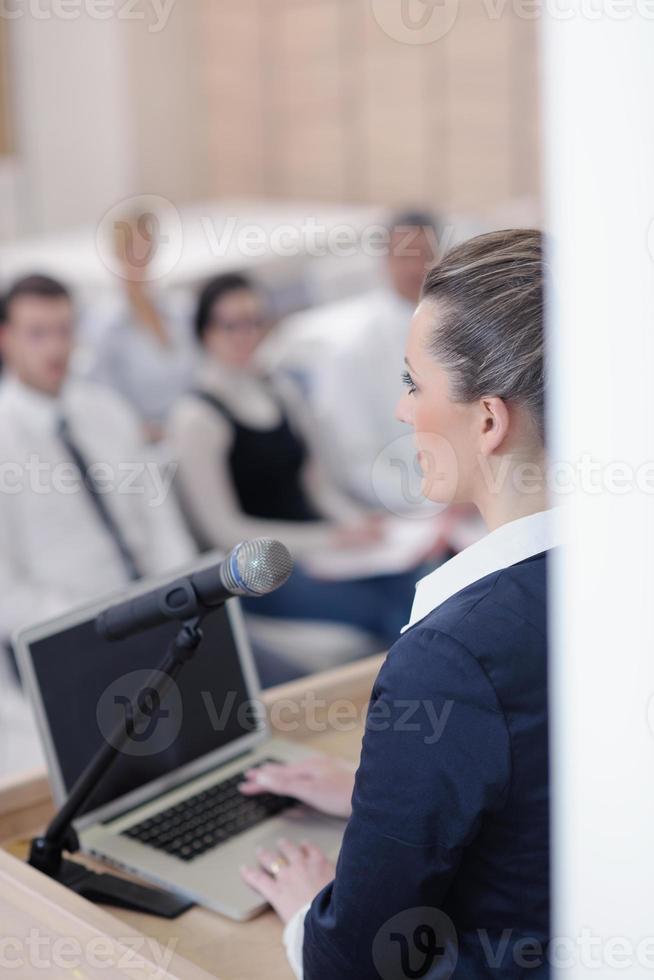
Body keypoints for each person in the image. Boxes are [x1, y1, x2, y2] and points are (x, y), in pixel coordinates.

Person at [238, 229, 558, 978]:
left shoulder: (450, 658)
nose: (402, 409)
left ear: (487, 420)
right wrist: (387, 808)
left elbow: (353, 961)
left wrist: (310, 915)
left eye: (415, 383)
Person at [167, 272, 423, 652]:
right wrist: (328, 539)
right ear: (205, 331)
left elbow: (317, 487)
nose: (246, 334)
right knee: (386, 610)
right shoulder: (196, 418)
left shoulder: (281, 391)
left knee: (417, 582)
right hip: (267, 571)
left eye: (255, 322)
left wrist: (354, 522)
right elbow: (223, 530)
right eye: (231, 325)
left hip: (326, 550)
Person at [0, 273, 196, 647]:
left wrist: (181, 596)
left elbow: (161, 522)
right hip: (81, 637)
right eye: (38, 333)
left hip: (168, 614)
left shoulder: (108, 410)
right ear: (6, 340)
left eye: (65, 330)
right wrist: (98, 626)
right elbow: (6, 593)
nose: (56, 347)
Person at [86, 210, 197, 441]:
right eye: (131, 249)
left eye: (146, 247)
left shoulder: (178, 309)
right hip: (144, 447)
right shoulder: (104, 323)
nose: (140, 257)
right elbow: (101, 395)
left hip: (194, 433)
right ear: (116, 253)